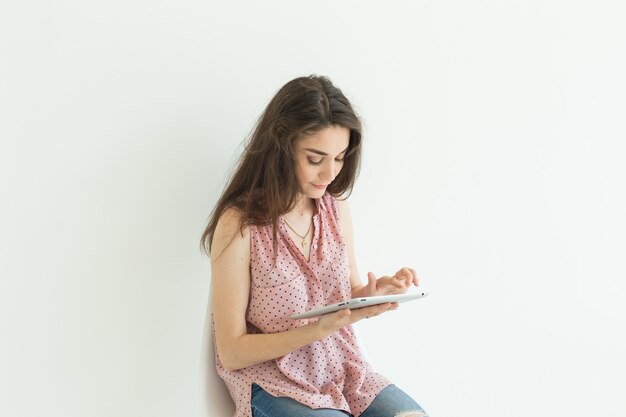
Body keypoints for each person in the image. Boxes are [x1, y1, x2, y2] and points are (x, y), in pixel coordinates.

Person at [200, 75, 428, 417]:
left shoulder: (335, 207)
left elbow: (346, 294)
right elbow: (232, 352)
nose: (329, 173)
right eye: (315, 158)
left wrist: (375, 294)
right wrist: (313, 332)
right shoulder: (241, 223)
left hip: (342, 370)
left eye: (339, 158)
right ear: (281, 145)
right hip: (274, 381)